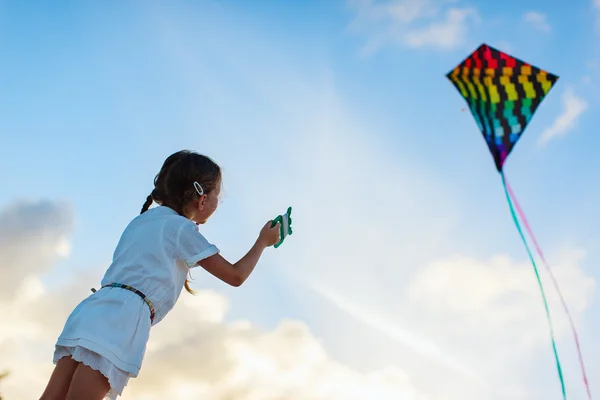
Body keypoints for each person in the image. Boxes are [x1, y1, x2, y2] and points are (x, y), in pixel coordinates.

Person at [40, 150, 281, 400]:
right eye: (218, 194)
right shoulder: (181, 228)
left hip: (92, 309)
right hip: (122, 317)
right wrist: (263, 241)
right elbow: (236, 276)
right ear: (202, 198)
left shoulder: (142, 221)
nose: (218, 201)